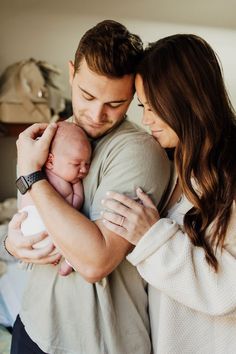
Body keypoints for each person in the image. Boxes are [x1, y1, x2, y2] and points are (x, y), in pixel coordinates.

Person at [4, 20, 171, 354]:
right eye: (87, 95)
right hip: (34, 323)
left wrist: (30, 174)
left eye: (115, 104)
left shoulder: (138, 151)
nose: (96, 114)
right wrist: (12, 244)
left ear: (132, 96)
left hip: (93, 342)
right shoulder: (50, 138)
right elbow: (32, 215)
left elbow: (95, 262)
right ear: (71, 73)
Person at [101, 34, 236, 354]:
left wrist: (153, 238)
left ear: (184, 98)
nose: (146, 119)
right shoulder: (172, 165)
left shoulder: (229, 178)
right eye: (142, 106)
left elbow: (229, 291)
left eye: (152, 106)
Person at [20, 120, 92, 276]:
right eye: (76, 164)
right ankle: (68, 262)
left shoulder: (40, 173)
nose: (84, 169)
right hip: (39, 226)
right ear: (50, 161)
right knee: (80, 236)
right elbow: (76, 203)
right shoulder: (47, 178)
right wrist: (77, 185)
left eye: (87, 163)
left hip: (33, 234)